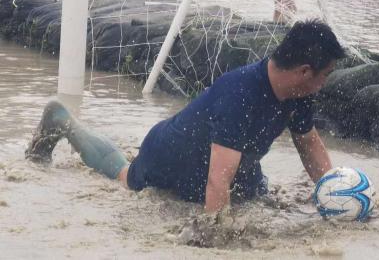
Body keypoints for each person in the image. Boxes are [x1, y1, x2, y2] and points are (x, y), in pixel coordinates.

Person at [26, 20, 346, 213]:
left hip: (234, 165)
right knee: (125, 175)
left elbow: (310, 145)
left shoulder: (300, 92)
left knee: (259, 199)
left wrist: (332, 195)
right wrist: (213, 238)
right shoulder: (241, 95)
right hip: (171, 156)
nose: (324, 82)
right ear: (305, 71)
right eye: (326, 74)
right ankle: (64, 121)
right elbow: (217, 181)